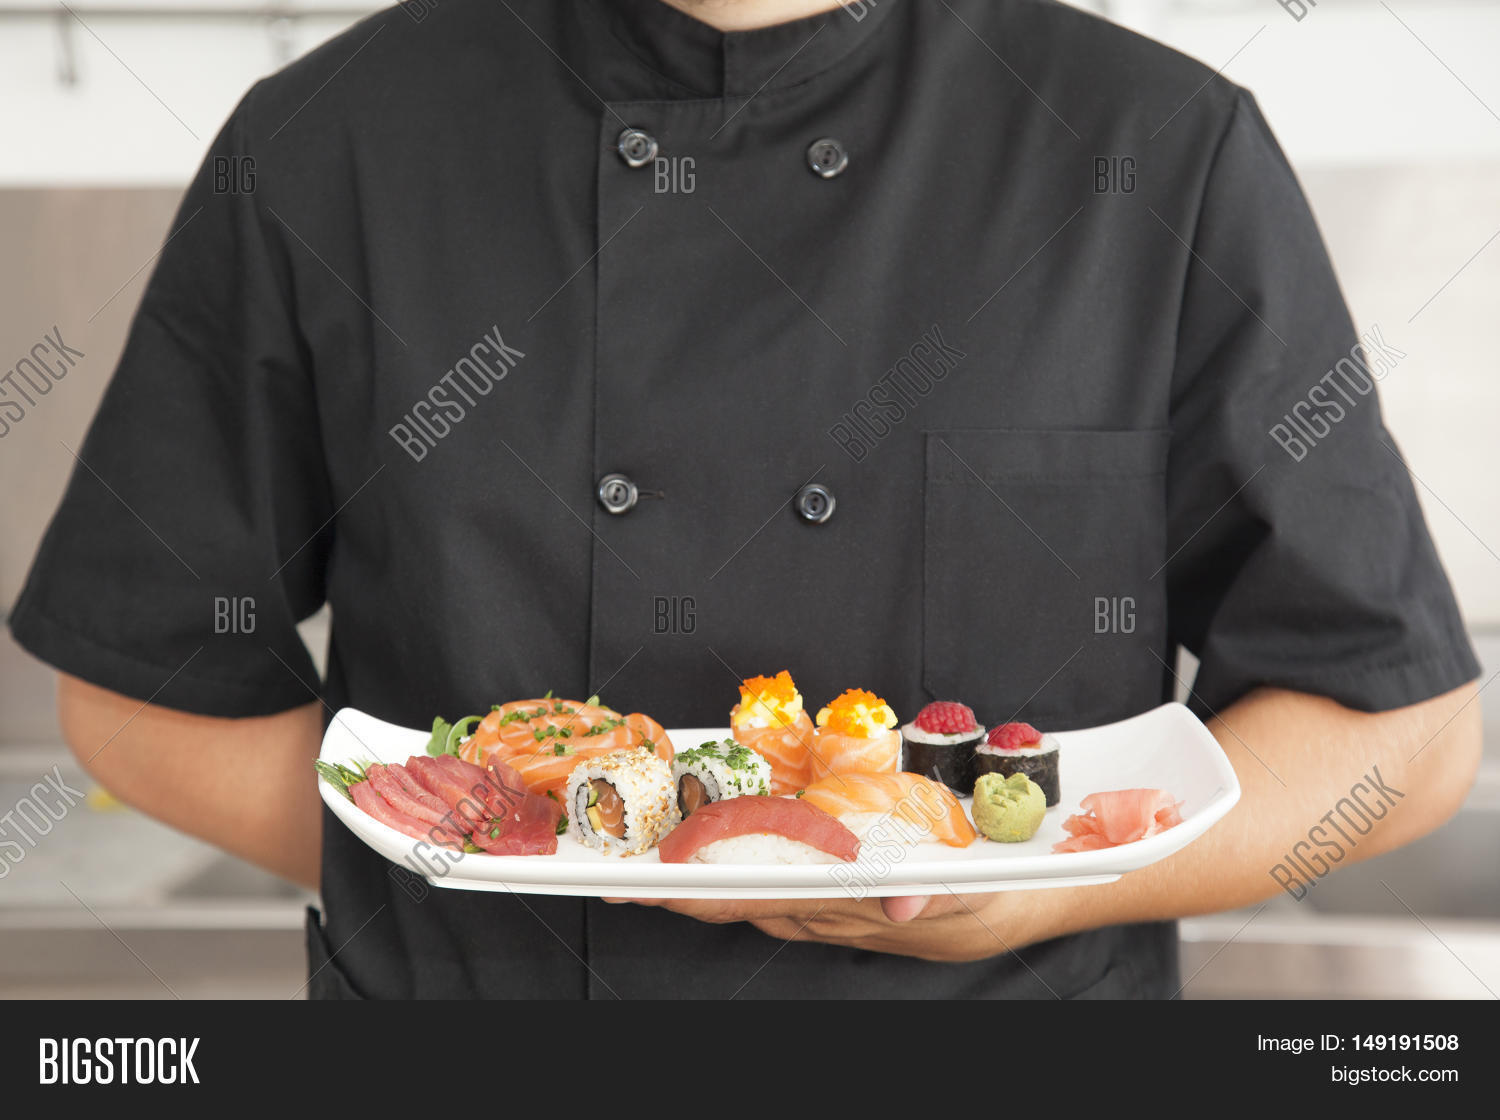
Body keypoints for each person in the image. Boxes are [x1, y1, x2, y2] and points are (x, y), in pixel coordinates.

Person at [11, 0, 1481, 999]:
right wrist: (487, 863)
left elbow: (1394, 731)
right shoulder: (330, 141)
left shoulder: (1152, 146)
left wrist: (1052, 894)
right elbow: (146, 691)